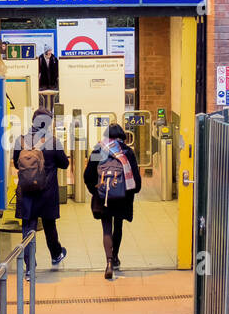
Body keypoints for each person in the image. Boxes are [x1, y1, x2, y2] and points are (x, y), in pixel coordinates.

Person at [12, 107, 69, 272]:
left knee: (27, 226)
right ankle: (56, 254)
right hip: (47, 192)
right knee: (49, 225)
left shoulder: (20, 141)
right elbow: (64, 164)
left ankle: (29, 267)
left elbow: (16, 163)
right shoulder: (53, 142)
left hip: (26, 191)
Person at [83, 123, 140, 280]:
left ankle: (108, 262)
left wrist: (96, 191)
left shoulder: (98, 150)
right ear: (122, 136)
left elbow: (87, 175)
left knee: (106, 228)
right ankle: (115, 257)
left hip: (104, 197)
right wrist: (130, 192)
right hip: (122, 197)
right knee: (118, 226)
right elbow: (137, 179)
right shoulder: (127, 152)